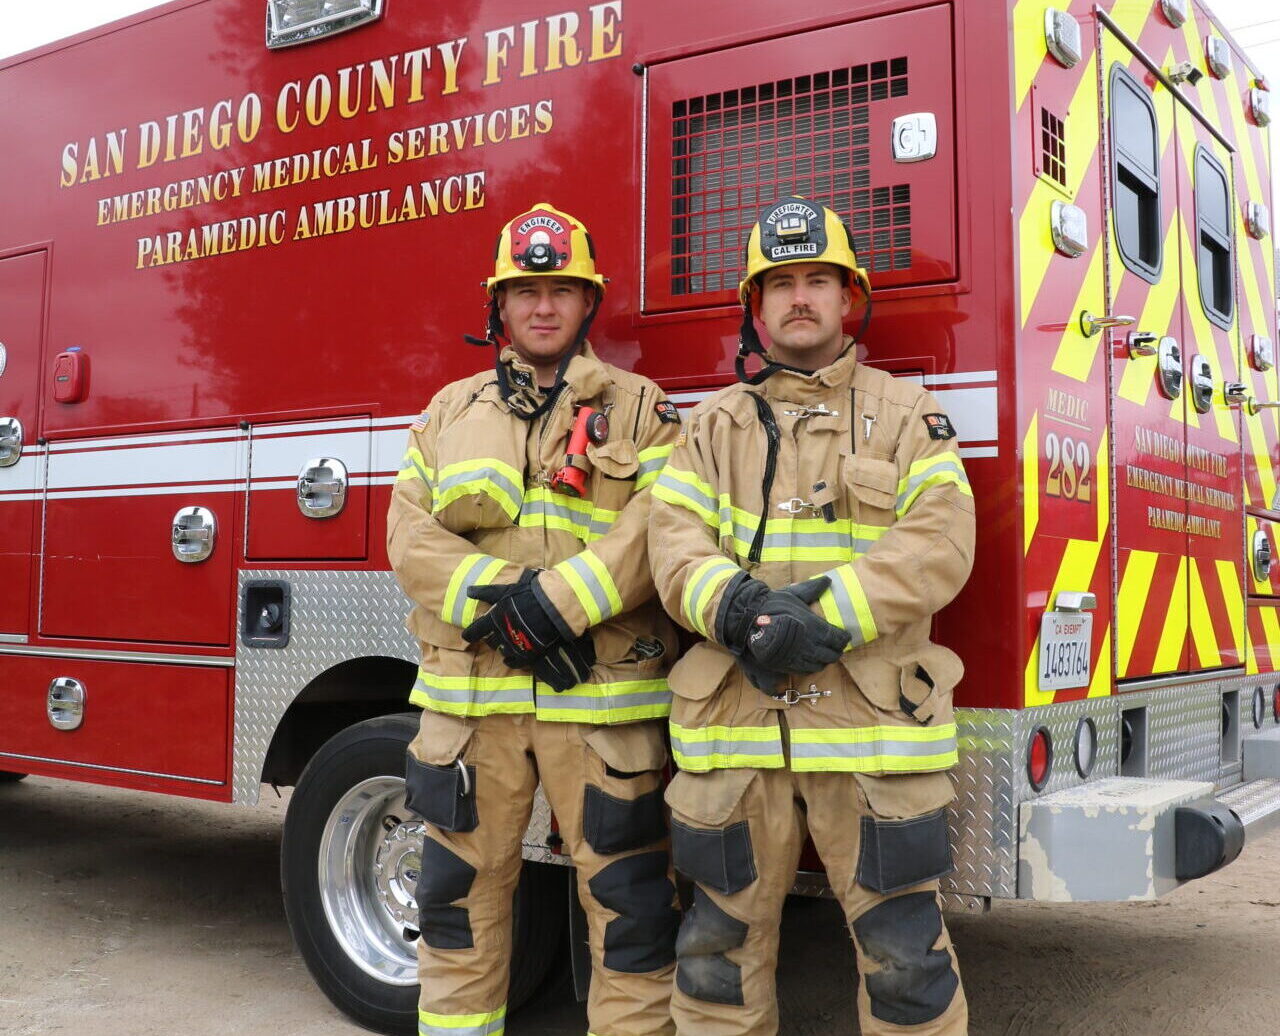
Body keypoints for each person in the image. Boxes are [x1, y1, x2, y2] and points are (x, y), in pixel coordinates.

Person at [649, 196, 975, 1035]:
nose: (800, 298)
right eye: (781, 282)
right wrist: (741, 610)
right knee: (713, 961)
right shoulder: (709, 428)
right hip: (732, 739)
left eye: (818, 280)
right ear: (755, 307)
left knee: (908, 964)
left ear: (848, 298)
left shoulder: (908, 414)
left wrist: (828, 615)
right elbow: (672, 547)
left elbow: (943, 541)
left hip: (871, 745)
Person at [388, 203, 682, 1036]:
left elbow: (661, 522)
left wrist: (558, 604)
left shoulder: (641, 409)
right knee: (454, 910)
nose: (543, 307)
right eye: (525, 292)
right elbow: (408, 536)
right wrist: (503, 600)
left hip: (600, 714)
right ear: (499, 307)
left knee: (630, 917)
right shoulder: (446, 411)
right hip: (470, 713)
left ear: (589, 302)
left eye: (561, 290)